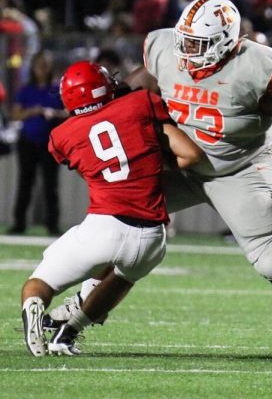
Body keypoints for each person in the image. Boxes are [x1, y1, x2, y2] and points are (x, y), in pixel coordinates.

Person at [46, 0, 272, 364]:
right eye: (183, 39)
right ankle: (79, 310)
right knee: (124, 230)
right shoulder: (167, 52)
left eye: (196, 43)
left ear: (225, 42)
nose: (186, 50)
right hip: (182, 164)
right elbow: (133, 92)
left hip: (239, 170)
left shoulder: (252, 68)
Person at [21, 61, 202, 356]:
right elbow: (192, 155)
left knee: (39, 284)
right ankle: (68, 333)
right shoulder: (139, 103)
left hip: (103, 227)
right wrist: (150, 171)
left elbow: (92, 173)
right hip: (151, 238)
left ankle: (33, 310)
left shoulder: (62, 136)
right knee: (123, 278)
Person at [9, 51, 67, 235]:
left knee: (51, 185)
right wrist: (33, 111)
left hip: (50, 143)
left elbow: (68, 112)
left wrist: (52, 113)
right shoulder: (26, 90)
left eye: (45, 64)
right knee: (25, 183)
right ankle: (19, 224)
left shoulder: (57, 89)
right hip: (28, 142)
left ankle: (52, 224)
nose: (42, 68)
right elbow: (15, 114)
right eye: (39, 64)